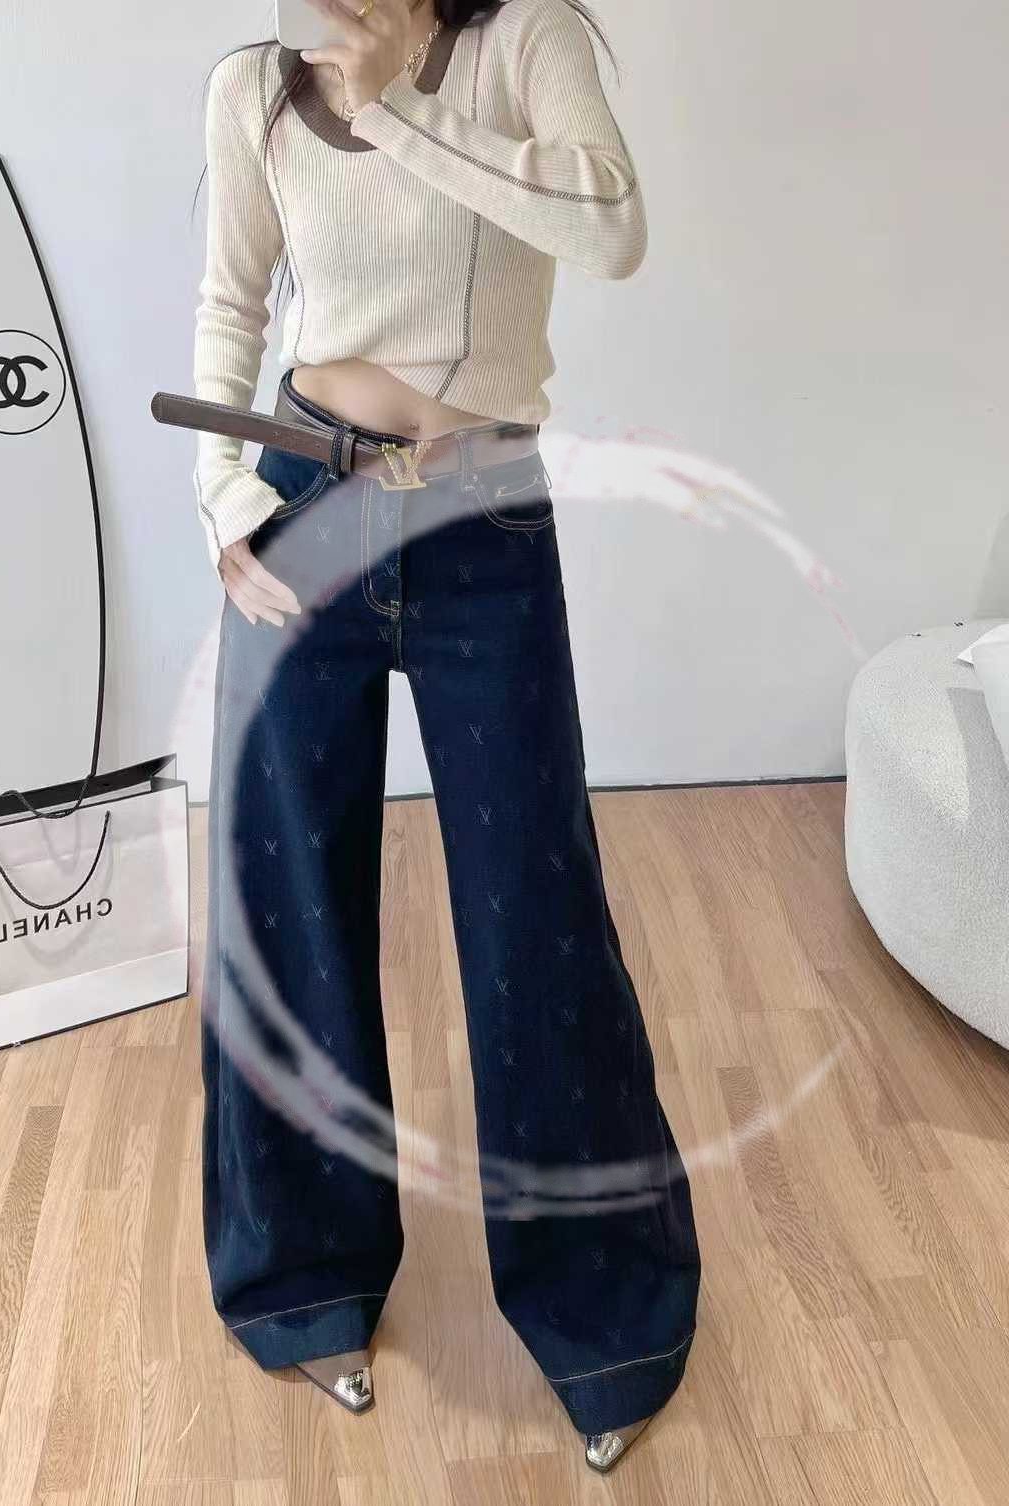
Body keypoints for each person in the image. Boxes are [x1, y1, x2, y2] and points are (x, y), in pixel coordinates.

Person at [193, 0, 701, 1473]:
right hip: (301, 505)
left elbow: (612, 229)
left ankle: (606, 1314)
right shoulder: (255, 86)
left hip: (482, 519)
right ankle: (302, 1276)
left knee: (534, 915)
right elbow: (230, 303)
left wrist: (399, 102)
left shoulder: (523, 40)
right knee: (287, 904)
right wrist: (225, 497)